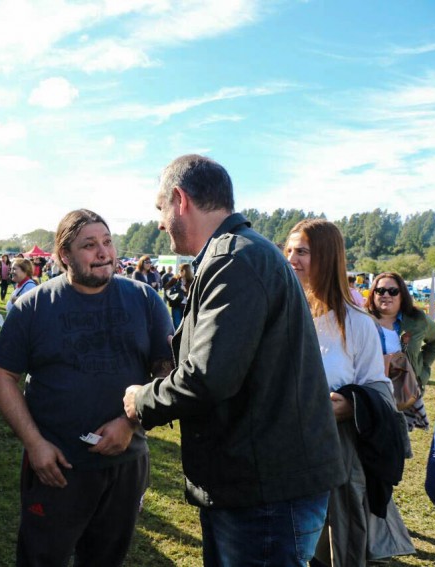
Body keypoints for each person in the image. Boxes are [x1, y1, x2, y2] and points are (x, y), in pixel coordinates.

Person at [123, 154, 344, 567]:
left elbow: (209, 377)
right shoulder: (241, 253)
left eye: (160, 208)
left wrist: (142, 400)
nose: (159, 223)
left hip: (263, 489)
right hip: (262, 480)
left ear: (180, 200)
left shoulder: (233, 259)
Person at [0, 209, 174, 567]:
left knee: (105, 559)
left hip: (126, 462)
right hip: (56, 466)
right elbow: (2, 377)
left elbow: (165, 371)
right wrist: (35, 444)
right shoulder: (34, 306)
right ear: (64, 255)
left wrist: (130, 422)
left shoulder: (145, 299)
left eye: (107, 242)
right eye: (89, 245)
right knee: (42, 559)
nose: (103, 252)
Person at [285, 220, 413, 565]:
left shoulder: (357, 323)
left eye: (302, 251)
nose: (291, 259)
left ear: (327, 257)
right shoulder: (281, 313)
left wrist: (351, 403)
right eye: (289, 250)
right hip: (282, 453)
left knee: (329, 547)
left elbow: (380, 390)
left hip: (334, 455)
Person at [366, 271, 435, 431]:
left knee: (398, 438)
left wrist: (423, 368)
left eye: (393, 291)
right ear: (373, 294)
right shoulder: (360, 319)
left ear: (402, 295)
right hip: (369, 393)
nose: (386, 295)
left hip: (404, 393)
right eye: (380, 290)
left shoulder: (417, 319)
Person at [164, 263, 193, 329]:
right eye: (179, 270)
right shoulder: (175, 279)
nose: (179, 271)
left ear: (187, 271)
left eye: (181, 270)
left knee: (185, 323)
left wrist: (185, 290)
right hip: (176, 303)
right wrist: (173, 289)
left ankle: (183, 335)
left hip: (186, 305)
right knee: (177, 323)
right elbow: (166, 286)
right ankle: (177, 335)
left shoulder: (191, 280)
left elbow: (193, 294)